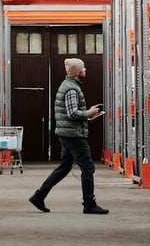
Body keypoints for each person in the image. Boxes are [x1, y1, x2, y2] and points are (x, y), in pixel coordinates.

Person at [29, 57, 109, 215]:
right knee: (88, 167)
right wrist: (88, 113)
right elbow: (72, 113)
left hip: (68, 133)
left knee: (64, 167)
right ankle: (89, 203)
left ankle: (39, 196)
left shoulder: (70, 86)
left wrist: (89, 114)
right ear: (78, 72)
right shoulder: (72, 89)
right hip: (73, 135)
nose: (86, 70)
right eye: (84, 68)